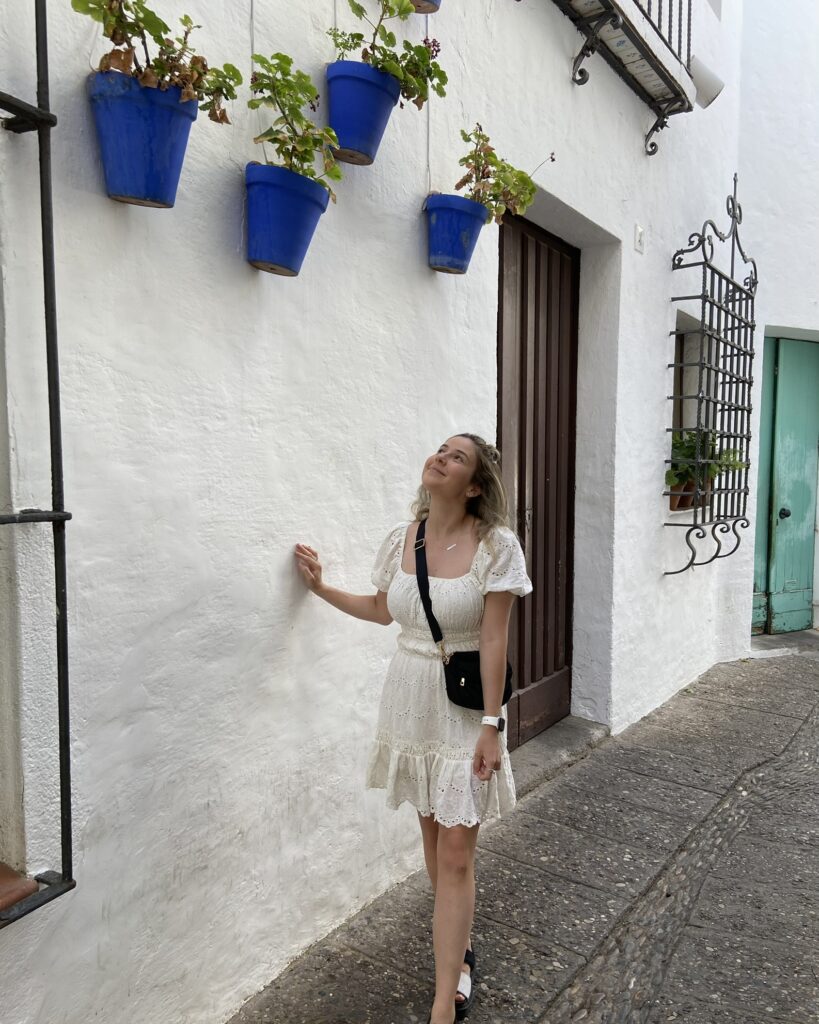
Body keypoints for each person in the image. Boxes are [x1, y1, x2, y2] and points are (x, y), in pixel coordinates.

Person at [294, 433, 532, 1024]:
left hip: (465, 706)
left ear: (475, 485)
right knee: (435, 843)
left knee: (456, 851)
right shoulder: (404, 539)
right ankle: (461, 955)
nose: (440, 458)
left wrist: (492, 724)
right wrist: (321, 588)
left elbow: (497, 637)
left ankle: (441, 1001)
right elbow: (384, 610)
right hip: (410, 697)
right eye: (439, 450)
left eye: (456, 457)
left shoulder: (496, 546)